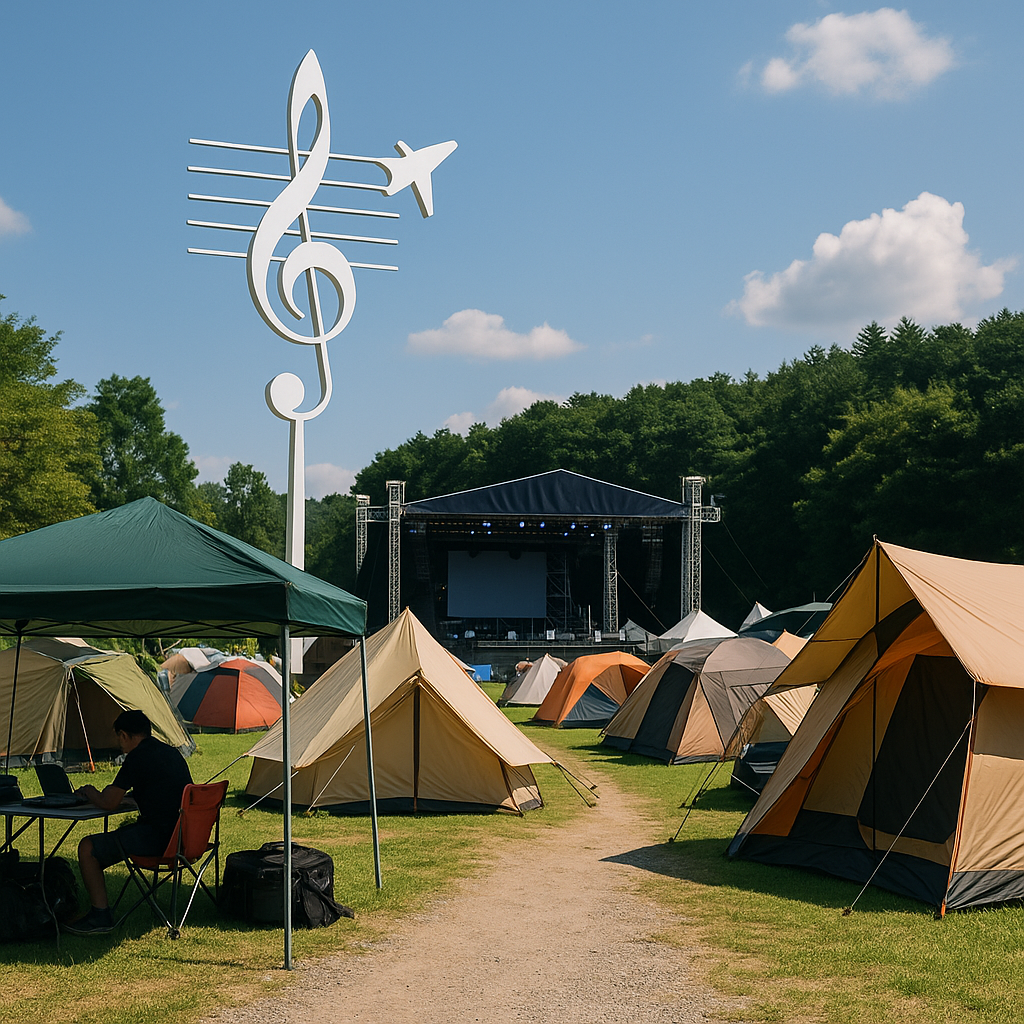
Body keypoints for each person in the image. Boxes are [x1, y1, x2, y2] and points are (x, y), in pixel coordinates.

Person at [65, 709, 193, 936]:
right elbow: (164, 791)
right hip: (184, 837)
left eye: (119, 737)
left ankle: (100, 915)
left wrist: (91, 792)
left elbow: (109, 802)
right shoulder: (171, 752)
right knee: (117, 838)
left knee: (88, 847)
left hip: (159, 840)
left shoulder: (137, 757)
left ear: (124, 734)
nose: (119, 743)